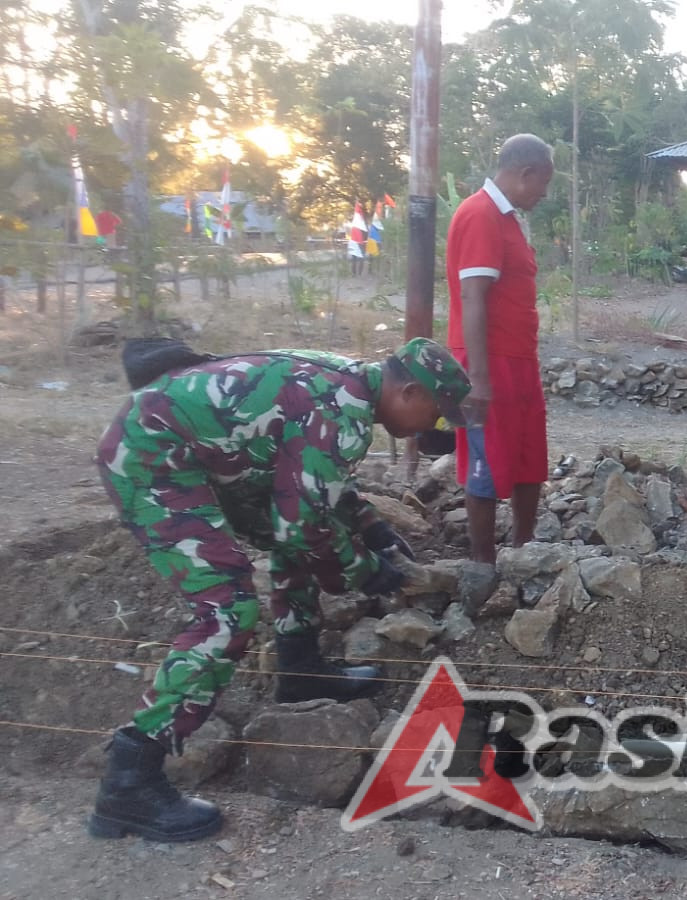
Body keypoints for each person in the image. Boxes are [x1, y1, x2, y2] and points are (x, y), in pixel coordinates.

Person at [88, 337, 471, 842]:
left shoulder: (349, 380)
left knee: (288, 535)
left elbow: (308, 476)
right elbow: (305, 524)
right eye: (436, 415)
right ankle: (129, 781)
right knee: (227, 611)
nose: (432, 429)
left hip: (197, 454)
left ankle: (299, 668)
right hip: (152, 458)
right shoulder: (343, 409)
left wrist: (371, 526)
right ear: (408, 391)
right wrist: (366, 571)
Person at [446, 134, 556, 607]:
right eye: (543, 184)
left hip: (519, 359)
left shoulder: (510, 220)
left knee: (529, 454)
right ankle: (483, 561)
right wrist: (479, 379)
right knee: (486, 457)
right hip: (488, 362)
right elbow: (472, 298)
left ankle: (524, 549)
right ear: (525, 173)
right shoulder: (479, 215)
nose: (544, 194)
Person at [348, 203, 368, 276]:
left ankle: (355, 273)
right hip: (358, 243)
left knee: (354, 259)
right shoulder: (359, 221)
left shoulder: (356, 222)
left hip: (354, 242)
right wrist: (362, 243)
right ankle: (358, 273)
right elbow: (360, 235)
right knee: (361, 259)